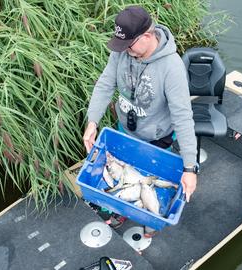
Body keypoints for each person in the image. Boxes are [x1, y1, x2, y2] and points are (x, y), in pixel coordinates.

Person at [83, 6, 198, 235]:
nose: (125, 51)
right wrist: (92, 122)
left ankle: (151, 224)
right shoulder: (122, 50)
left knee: (150, 189)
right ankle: (120, 210)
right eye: (122, 45)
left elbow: (183, 118)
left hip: (156, 138)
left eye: (129, 45)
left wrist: (189, 168)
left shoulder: (172, 68)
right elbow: (106, 83)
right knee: (124, 177)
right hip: (125, 130)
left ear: (147, 36)